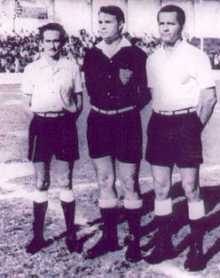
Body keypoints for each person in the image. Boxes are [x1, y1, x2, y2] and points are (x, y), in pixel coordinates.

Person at [144, 5, 217, 271]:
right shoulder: (152, 59)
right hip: (159, 123)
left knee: (190, 189)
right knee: (161, 188)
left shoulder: (196, 56)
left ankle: (196, 249)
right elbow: (155, 95)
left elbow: (209, 98)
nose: (165, 28)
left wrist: (193, 129)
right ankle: (164, 244)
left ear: (181, 26)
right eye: (161, 23)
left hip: (186, 122)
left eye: (171, 24)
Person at [83, 5, 150, 262]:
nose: (102, 26)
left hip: (126, 123)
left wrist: (127, 109)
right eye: (99, 22)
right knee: (104, 180)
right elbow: (91, 89)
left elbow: (146, 92)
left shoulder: (136, 54)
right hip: (98, 122)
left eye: (107, 22)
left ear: (121, 24)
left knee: (130, 182)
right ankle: (109, 237)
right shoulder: (91, 54)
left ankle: (134, 240)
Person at [21, 23, 83, 254]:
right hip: (40, 125)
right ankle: (38, 237)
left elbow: (79, 104)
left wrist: (69, 111)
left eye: (56, 40)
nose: (52, 45)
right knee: (41, 182)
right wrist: (41, 115)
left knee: (66, 181)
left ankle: (71, 235)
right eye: (47, 41)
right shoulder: (31, 69)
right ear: (41, 43)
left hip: (65, 125)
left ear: (63, 42)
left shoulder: (72, 67)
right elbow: (27, 104)